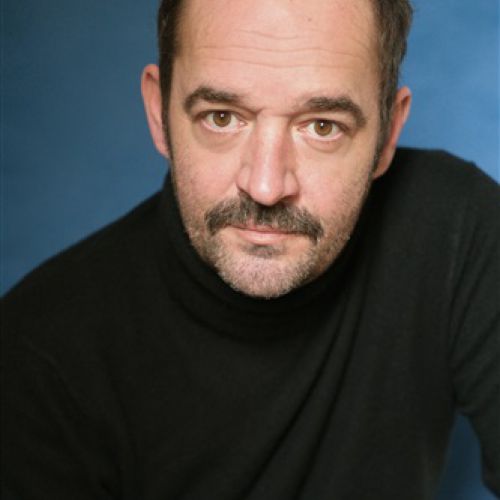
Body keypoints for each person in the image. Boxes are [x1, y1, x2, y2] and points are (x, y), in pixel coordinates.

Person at [2, 0, 499, 498]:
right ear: (159, 113)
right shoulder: (37, 357)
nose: (265, 186)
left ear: (388, 133)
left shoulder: (457, 231)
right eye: (221, 117)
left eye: (322, 126)